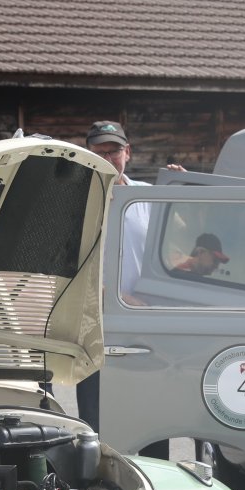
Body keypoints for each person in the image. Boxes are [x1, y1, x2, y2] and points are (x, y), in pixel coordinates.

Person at [75, 120, 182, 449]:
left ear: (128, 153)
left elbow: (182, 246)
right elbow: (70, 269)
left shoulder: (148, 197)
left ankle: (154, 474)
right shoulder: (77, 202)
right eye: (100, 152)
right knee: (97, 420)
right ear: (88, 155)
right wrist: (112, 297)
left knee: (150, 412)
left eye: (114, 151)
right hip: (96, 325)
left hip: (146, 323)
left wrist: (184, 192)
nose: (108, 158)